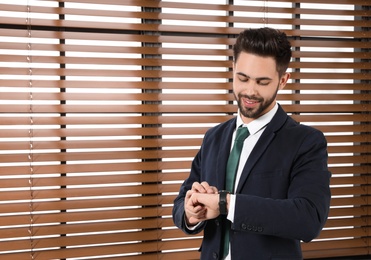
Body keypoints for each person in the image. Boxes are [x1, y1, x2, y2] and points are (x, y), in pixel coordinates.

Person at [172, 27, 331, 260]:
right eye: (242, 78)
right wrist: (190, 212)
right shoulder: (214, 137)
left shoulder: (306, 142)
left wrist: (225, 203)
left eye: (262, 82)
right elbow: (182, 200)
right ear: (233, 69)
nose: (250, 90)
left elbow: (308, 219)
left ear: (283, 80)